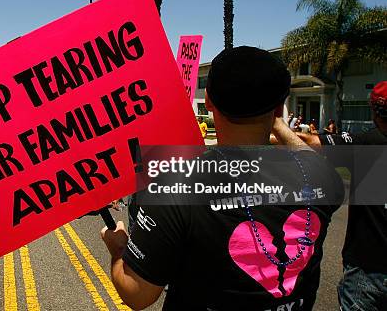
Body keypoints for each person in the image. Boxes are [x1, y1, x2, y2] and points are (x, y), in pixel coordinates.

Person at [100, 46, 344, 310]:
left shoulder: (175, 186)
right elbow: (309, 156)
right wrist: (276, 122)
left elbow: (137, 295)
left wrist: (118, 251)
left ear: (210, 102)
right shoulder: (320, 176)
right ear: (279, 107)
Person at [296, 81, 387, 311]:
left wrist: (273, 123)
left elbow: (308, 145)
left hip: (368, 267)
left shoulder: (367, 144)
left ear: (373, 108)